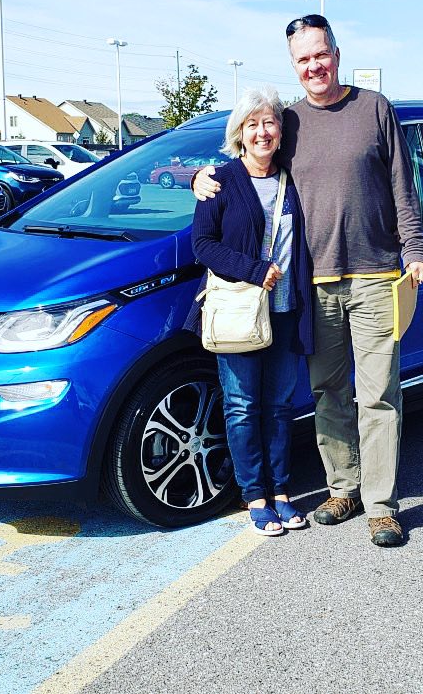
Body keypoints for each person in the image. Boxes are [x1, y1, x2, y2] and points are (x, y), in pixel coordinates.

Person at [194, 15, 423, 547]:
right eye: (303, 59)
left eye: (320, 54)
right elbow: (246, 162)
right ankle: (343, 488)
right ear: (294, 66)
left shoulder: (374, 108)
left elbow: (403, 186)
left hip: (375, 276)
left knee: (378, 395)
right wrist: (198, 177)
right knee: (328, 392)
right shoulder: (289, 122)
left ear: (337, 55)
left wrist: (413, 249)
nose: (314, 66)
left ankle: (382, 507)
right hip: (313, 285)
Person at [184, 86, 314, 536]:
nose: (261, 132)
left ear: (280, 130)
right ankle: (255, 496)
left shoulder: (296, 179)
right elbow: (202, 245)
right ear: (239, 132)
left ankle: (281, 492)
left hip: (286, 310)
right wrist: (254, 271)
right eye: (252, 124)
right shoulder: (219, 181)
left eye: (269, 122)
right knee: (241, 406)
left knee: (279, 406)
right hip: (238, 311)